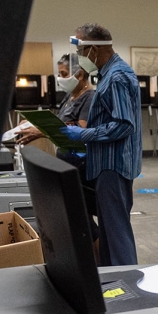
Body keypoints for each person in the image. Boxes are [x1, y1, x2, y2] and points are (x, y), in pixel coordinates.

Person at [61, 23, 142, 267]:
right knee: (109, 231)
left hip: (113, 165)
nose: (80, 58)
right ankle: (114, 282)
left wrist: (83, 135)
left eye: (81, 52)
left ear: (94, 49)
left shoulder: (117, 77)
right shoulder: (109, 74)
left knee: (116, 233)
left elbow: (124, 125)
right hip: (107, 163)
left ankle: (128, 286)